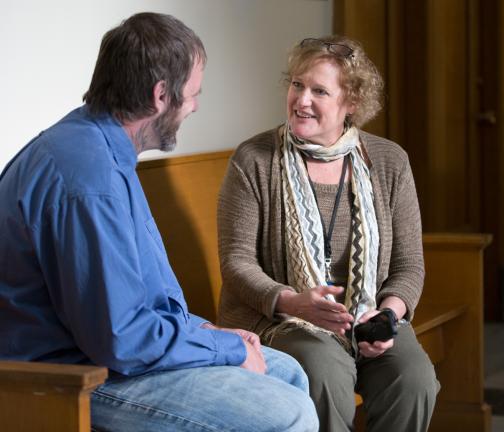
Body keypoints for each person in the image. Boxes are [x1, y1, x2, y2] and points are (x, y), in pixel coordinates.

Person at [0, 12, 318, 432]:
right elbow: (121, 339)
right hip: (67, 378)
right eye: (192, 94)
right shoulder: (88, 180)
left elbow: (137, 297)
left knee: (288, 372)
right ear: (160, 95)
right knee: (289, 415)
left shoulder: (101, 148)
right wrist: (221, 347)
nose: (195, 106)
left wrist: (201, 331)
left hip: (105, 355)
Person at [217, 35, 440, 431]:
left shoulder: (389, 161)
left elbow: (409, 266)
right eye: (297, 85)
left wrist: (387, 316)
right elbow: (236, 263)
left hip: (367, 315)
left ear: (351, 103)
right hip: (282, 320)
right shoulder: (253, 159)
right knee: (324, 370)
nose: (301, 100)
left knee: (414, 379)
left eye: (319, 90)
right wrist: (293, 302)